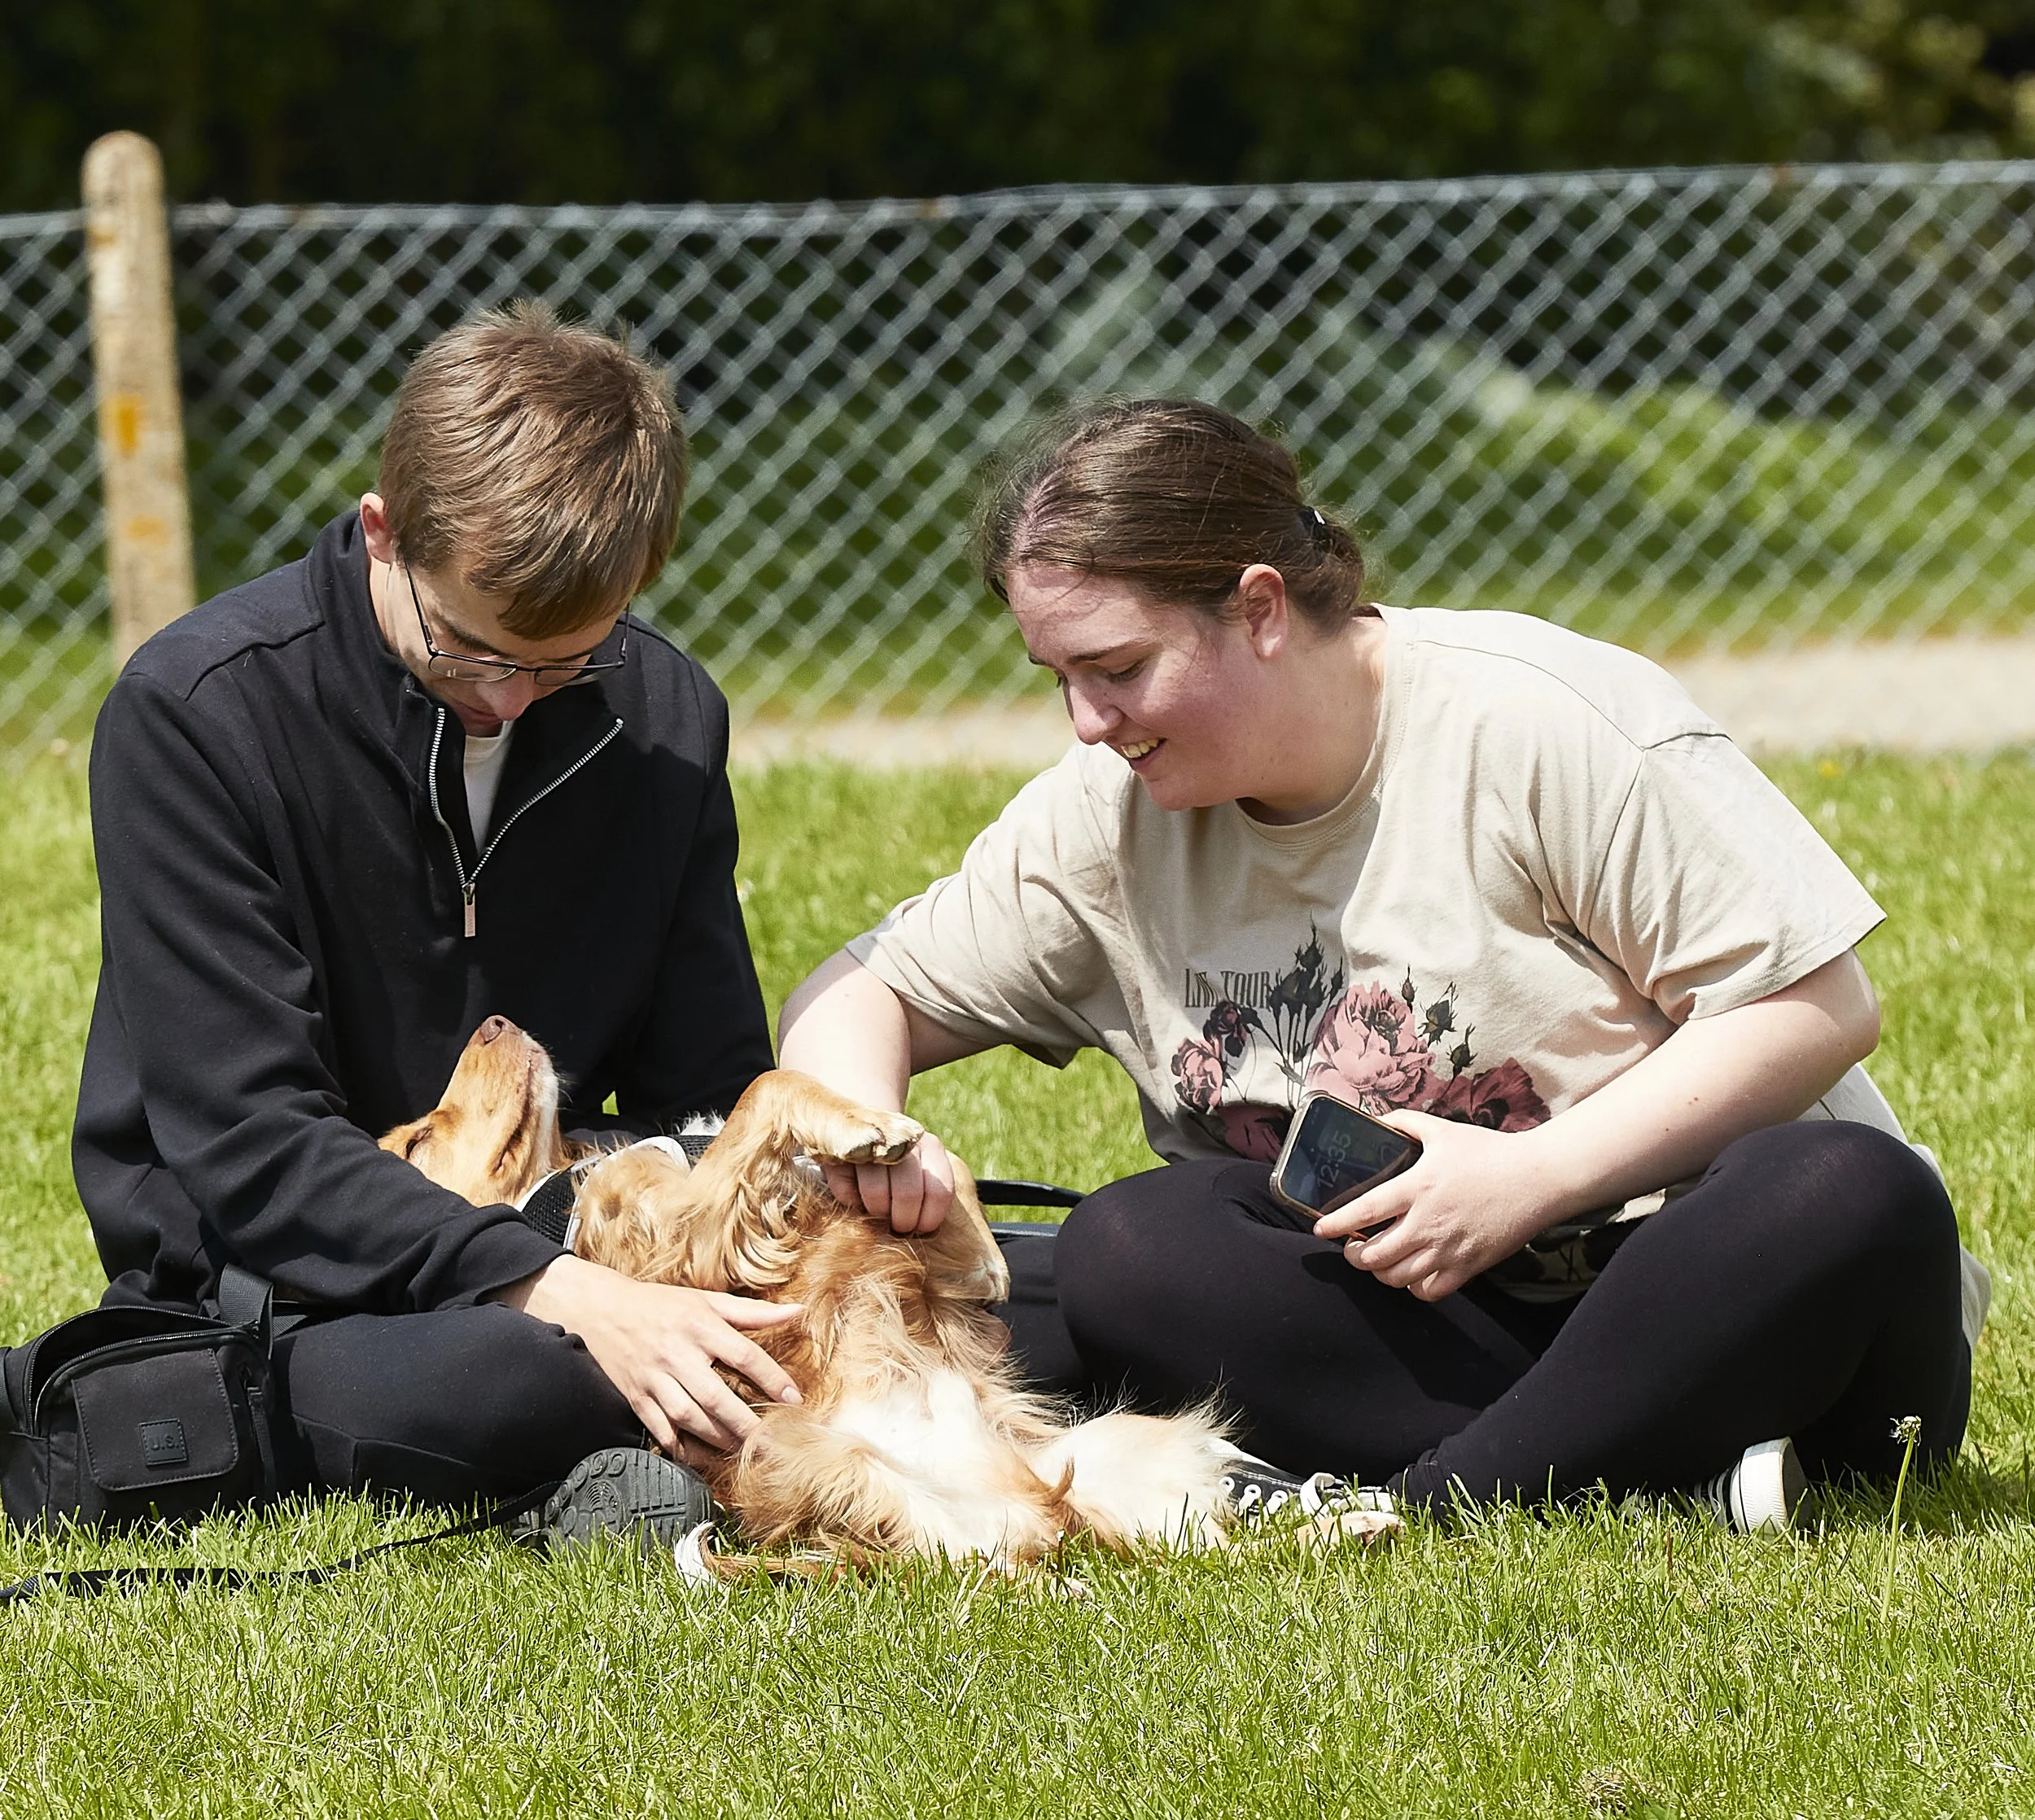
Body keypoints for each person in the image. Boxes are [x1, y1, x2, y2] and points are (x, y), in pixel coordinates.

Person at [779, 396, 1988, 1528]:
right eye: (1060, 680)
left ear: (1260, 609)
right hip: (1432, 1325)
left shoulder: (1538, 720)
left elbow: (1816, 1008)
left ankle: (1422, 1502)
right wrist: (873, 1137)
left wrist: (1534, 1180)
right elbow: (858, 992)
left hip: (1722, 1296)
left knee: (1845, 1188)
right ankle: (1651, 1475)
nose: (1089, 722)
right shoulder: (1103, 816)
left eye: (1118, 668)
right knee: (1123, 1250)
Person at [65, 303, 799, 1529]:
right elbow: (251, 1148)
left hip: (586, 1246)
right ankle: (609, 1445)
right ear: (383, 533)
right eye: (469, 651)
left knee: (1040, 1290)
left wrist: (788, 1232)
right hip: (299, 1292)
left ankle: (641, 1444)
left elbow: (703, 1094)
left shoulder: (664, 718)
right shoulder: (198, 713)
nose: (508, 701)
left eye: (564, 663)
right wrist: (555, 1293)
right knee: (510, 1378)